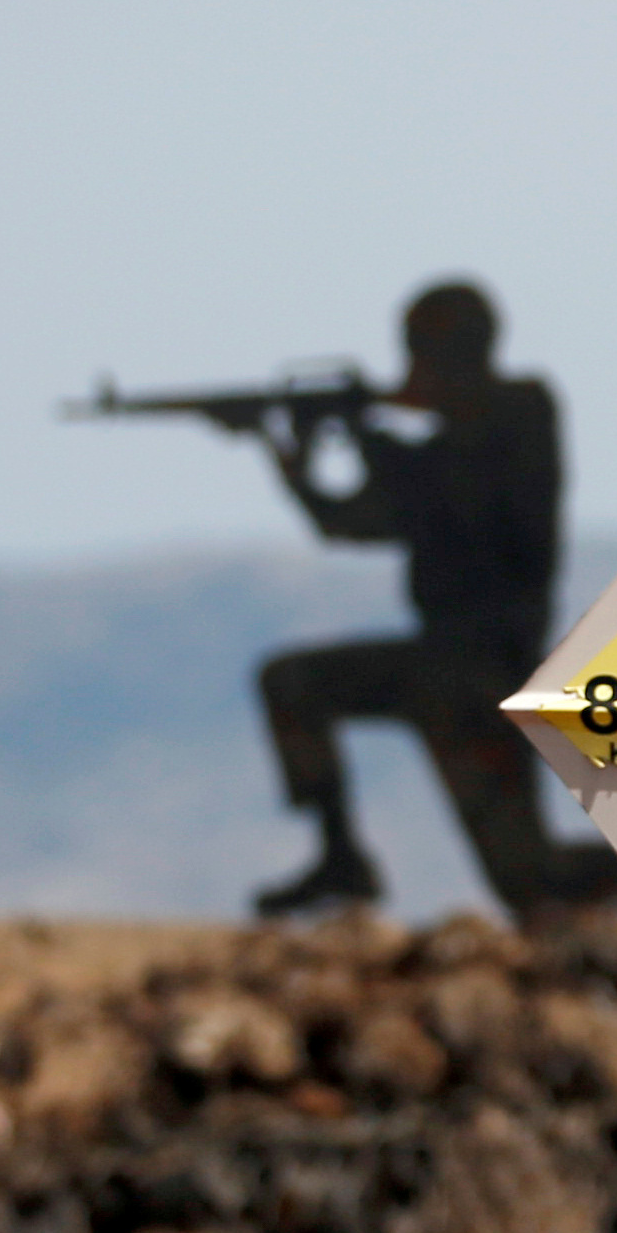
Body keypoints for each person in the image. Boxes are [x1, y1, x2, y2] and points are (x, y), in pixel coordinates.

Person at [247, 280, 568, 919]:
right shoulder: (455, 439)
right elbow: (363, 521)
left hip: (479, 675)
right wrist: (299, 475)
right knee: (528, 879)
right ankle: (340, 858)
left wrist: (368, 436)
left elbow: (442, 487)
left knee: (533, 884)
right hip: (445, 673)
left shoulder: (519, 416)